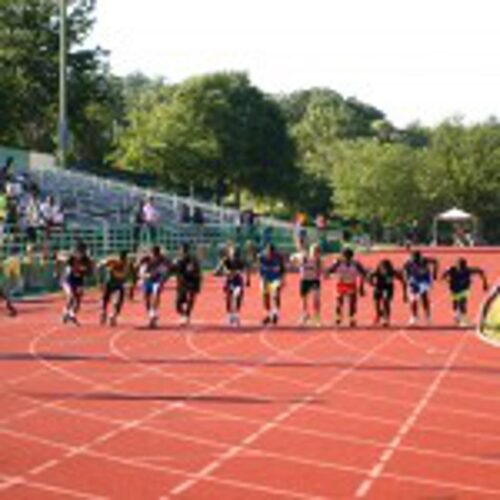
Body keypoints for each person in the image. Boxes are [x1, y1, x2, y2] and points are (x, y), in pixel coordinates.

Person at [326, 248, 367, 327]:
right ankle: (338, 317)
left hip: (351, 283)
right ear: (342, 256)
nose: (347, 259)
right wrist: (331, 273)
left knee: (352, 303)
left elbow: (363, 273)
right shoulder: (338, 263)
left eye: (349, 257)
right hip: (341, 284)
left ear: (351, 257)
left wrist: (361, 286)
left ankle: (352, 318)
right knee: (339, 301)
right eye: (345, 257)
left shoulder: (356, 264)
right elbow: (329, 270)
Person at [442, 258, 488, 326]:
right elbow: (443, 276)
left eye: (463, 268)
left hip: (464, 289)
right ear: (457, 266)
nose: (461, 270)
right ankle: (456, 315)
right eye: (460, 268)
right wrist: (447, 280)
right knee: (455, 303)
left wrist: (485, 283)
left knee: (462, 303)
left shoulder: (468, 270)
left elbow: (480, 271)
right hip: (454, 289)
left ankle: (464, 319)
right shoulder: (451, 269)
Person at [58, 242, 94, 325]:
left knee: (78, 300)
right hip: (68, 280)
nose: (80, 254)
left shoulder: (86, 260)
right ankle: (66, 312)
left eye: (83, 252)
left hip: (78, 281)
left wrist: (87, 270)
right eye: (79, 252)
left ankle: (70, 313)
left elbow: (90, 272)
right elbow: (59, 257)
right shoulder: (70, 258)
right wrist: (57, 270)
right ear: (76, 251)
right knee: (71, 296)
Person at [215, 243, 248, 327]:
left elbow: (245, 270)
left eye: (235, 252)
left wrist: (247, 279)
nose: (233, 253)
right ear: (229, 252)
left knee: (237, 296)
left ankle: (236, 314)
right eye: (232, 251)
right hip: (229, 281)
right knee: (228, 297)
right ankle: (230, 315)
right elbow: (217, 271)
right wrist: (224, 272)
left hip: (238, 281)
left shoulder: (240, 261)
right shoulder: (225, 260)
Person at [403, 250, 439, 325]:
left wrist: (435, 273)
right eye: (414, 259)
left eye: (417, 259)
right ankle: (414, 317)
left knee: (424, 297)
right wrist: (407, 278)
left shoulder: (425, 260)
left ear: (420, 257)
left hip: (424, 280)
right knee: (413, 300)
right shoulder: (408, 262)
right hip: (414, 280)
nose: (416, 261)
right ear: (411, 258)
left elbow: (436, 261)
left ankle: (427, 317)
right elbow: (405, 270)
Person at [137, 246, 170, 328]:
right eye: (153, 253)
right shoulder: (147, 258)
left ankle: (153, 311)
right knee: (146, 297)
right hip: (148, 280)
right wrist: (142, 272)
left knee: (156, 295)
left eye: (155, 253)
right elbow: (138, 265)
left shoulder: (163, 259)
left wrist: (163, 278)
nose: (153, 254)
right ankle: (151, 314)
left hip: (157, 280)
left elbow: (167, 269)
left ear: (158, 253)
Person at [290, 243, 322, 326]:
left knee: (316, 300)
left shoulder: (318, 260)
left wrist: (325, 273)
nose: (316, 253)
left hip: (314, 281)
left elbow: (322, 270)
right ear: (310, 251)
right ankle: (305, 315)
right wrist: (295, 262)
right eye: (314, 251)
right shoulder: (303, 257)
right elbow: (292, 258)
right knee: (304, 300)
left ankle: (317, 318)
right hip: (304, 280)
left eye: (317, 252)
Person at [171, 243, 202, 325]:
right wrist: (173, 265)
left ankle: (186, 315)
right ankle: (184, 314)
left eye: (183, 250)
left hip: (191, 282)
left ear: (187, 250)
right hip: (181, 283)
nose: (181, 251)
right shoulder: (178, 259)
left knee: (190, 298)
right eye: (180, 250)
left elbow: (195, 270)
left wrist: (196, 277)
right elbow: (172, 270)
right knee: (178, 304)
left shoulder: (192, 259)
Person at [369, 259, 406, 327]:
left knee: (386, 302)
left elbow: (403, 281)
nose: (385, 271)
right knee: (376, 303)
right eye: (383, 269)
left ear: (389, 268)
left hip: (388, 288)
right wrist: (371, 283)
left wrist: (405, 294)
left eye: (387, 268)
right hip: (378, 287)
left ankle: (386, 319)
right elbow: (369, 276)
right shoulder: (376, 271)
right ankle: (378, 314)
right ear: (380, 267)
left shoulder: (393, 272)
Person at [99, 250, 130, 326]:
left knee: (114, 300)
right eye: (125, 257)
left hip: (115, 284)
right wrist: (106, 266)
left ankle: (110, 315)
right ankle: (106, 313)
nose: (125, 259)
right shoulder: (115, 262)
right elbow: (101, 264)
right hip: (111, 283)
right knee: (107, 299)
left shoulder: (125, 264)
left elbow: (124, 275)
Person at [259, 243, 286, 325]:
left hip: (275, 279)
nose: (270, 255)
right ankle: (268, 315)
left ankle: (275, 314)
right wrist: (262, 279)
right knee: (265, 297)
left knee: (275, 294)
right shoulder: (262, 257)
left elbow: (283, 269)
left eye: (272, 253)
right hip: (266, 278)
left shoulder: (279, 257)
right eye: (268, 253)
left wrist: (283, 279)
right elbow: (260, 269)